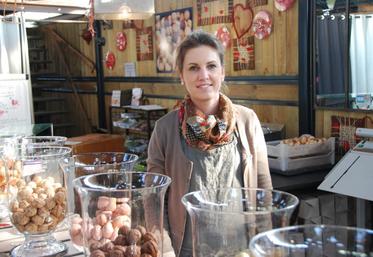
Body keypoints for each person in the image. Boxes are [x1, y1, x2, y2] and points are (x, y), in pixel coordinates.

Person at [147, 30, 272, 257]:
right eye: (193, 68)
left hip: (241, 247)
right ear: (181, 75)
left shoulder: (247, 120)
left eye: (211, 66)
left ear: (222, 72)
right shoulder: (164, 129)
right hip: (186, 250)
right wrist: (164, 249)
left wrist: (266, 243)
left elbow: (263, 187)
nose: (203, 75)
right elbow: (153, 198)